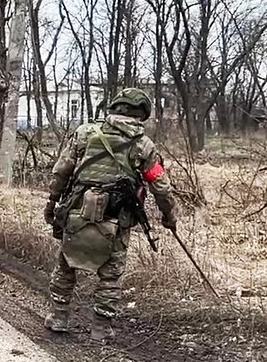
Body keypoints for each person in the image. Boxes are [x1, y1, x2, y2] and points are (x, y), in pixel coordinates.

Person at [43, 87, 177, 342]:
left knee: (66, 262)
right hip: (117, 218)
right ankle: (101, 328)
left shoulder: (85, 132)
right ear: (142, 113)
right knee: (111, 272)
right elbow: (159, 185)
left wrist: (52, 200)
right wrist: (169, 216)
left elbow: (62, 171)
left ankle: (59, 317)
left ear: (114, 107)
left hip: (77, 210)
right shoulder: (143, 145)